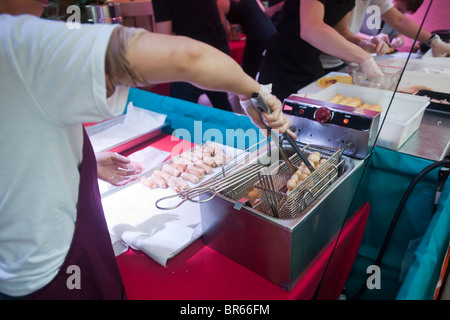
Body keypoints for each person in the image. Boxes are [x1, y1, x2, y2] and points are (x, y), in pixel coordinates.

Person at [0, 0, 292, 300]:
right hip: (54, 273)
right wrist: (253, 92)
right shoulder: (18, 40)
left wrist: (85, 160)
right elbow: (187, 57)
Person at [258, 0, 386, 101]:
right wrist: (364, 58)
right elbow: (311, 29)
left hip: (312, 65)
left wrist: (361, 43)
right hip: (283, 67)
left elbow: (341, 31)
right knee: (277, 127)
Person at [321, 0, 450, 72]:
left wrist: (433, 40)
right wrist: (364, 48)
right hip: (322, 59)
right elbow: (338, 29)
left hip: (344, 59)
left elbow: (400, 21)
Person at [152, 0, 234, 112]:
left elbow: (164, 38)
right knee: (221, 105)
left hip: (192, 56)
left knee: (181, 114)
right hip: (217, 48)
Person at [217, 0, 276, 79]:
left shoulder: (220, 2)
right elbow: (262, 11)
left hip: (257, 36)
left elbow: (223, 30)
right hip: (271, 31)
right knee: (263, 70)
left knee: (249, 73)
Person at [359, 0, 424, 49]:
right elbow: (350, 32)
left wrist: (399, 39)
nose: (398, 14)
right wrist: (371, 38)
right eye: (399, 8)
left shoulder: (401, 13)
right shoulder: (369, 4)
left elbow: (395, 33)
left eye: (403, 12)